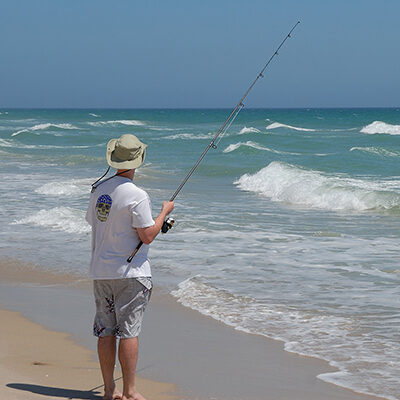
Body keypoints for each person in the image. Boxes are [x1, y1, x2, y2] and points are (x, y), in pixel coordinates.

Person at [86, 134, 174, 400]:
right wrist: (164, 213)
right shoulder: (137, 195)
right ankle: (130, 391)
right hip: (131, 275)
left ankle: (109, 389)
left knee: (106, 331)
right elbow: (147, 235)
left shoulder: (98, 189)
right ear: (139, 160)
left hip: (101, 273)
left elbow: (95, 222)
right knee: (129, 333)